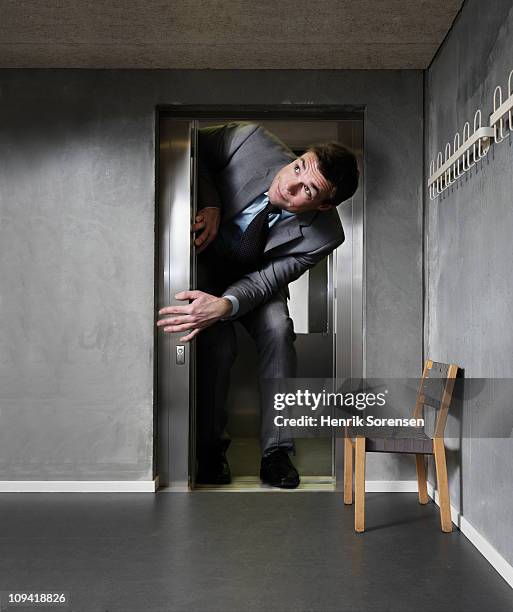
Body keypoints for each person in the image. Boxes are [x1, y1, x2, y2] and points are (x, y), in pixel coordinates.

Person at [157, 122, 359, 488]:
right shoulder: (249, 140)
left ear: (324, 204)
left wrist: (226, 305)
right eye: (298, 168)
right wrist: (211, 200)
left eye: (307, 190)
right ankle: (210, 449)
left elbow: (267, 280)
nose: (290, 185)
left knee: (278, 329)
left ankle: (276, 453)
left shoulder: (326, 235)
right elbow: (191, 145)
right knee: (218, 343)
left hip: (257, 280)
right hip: (205, 264)